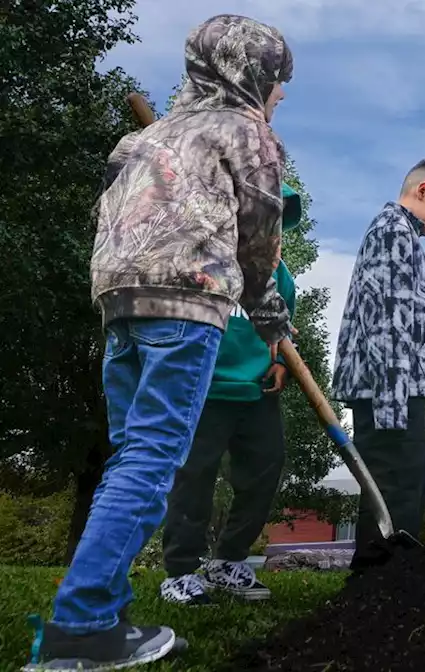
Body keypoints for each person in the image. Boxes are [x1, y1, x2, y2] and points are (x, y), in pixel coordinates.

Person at [24, 14, 295, 671]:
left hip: (119, 304)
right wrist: (268, 315)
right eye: (278, 80)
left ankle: (108, 613)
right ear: (249, 73)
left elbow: (115, 219)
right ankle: (81, 628)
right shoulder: (247, 132)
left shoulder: (145, 141)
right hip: (186, 303)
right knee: (152, 459)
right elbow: (258, 235)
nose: (280, 94)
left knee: (130, 457)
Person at [158, 183, 303, 606]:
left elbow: (284, 333)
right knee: (194, 477)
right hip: (205, 387)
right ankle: (180, 570)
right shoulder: (203, 261)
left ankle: (228, 561)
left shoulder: (280, 275)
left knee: (266, 467)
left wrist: (279, 364)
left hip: (256, 391)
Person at [330, 157, 425, 576]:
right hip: (390, 390)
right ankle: (378, 582)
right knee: (394, 486)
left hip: (396, 388)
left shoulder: (400, 233)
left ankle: (389, 584)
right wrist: (391, 408)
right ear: (422, 190)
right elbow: (386, 321)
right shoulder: (392, 233)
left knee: (407, 483)